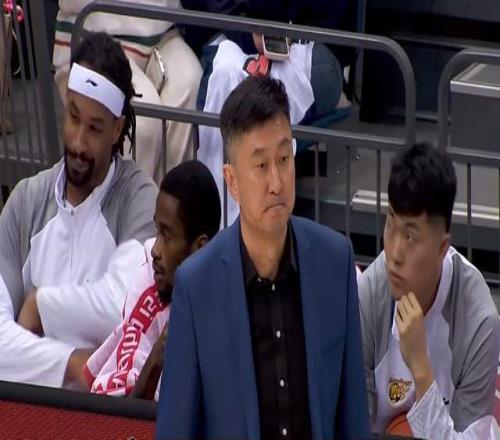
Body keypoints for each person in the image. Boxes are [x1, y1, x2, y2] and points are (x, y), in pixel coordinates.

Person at [156, 76, 369, 440]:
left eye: (284, 160)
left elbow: (353, 422)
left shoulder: (335, 262)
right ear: (232, 181)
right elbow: (176, 430)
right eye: (260, 166)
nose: (276, 183)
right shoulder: (197, 285)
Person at [1, 32, 158, 388]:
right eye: (73, 117)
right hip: (30, 408)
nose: (78, 142)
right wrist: (73, 364)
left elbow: (125, 306)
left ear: (117, 130)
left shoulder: (139, 199)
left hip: (104, 411)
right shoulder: (26, 200)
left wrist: (41, 306)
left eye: (95, 128)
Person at [358, 143, 500, 439]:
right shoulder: (368, 296)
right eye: (390, 223)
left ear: (442, 247)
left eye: (410, 236)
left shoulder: (479, 322)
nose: (394, 253)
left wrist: (421, 369)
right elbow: (354, 427)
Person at [181, 0, 349, 226]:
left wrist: (286, 30)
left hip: (297, 39)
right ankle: (225, 222)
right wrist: (250, 34)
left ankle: (264, 221)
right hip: (229, 33)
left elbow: (328, 15)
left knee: (311, 75)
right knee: (227, 74)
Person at [83, 160, 221, 401]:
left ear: (199, 248)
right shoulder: (148, 277)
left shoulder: (223, 315)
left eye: (167, 236)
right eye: (158, 230)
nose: (155, 249)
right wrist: (154, 362)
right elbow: (122, 411)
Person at [53, 0, 203, 183]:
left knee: (190, 81)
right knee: (143, 122)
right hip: (95, 37)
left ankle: (171, 197)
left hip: (163, 32)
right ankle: (132, 199)